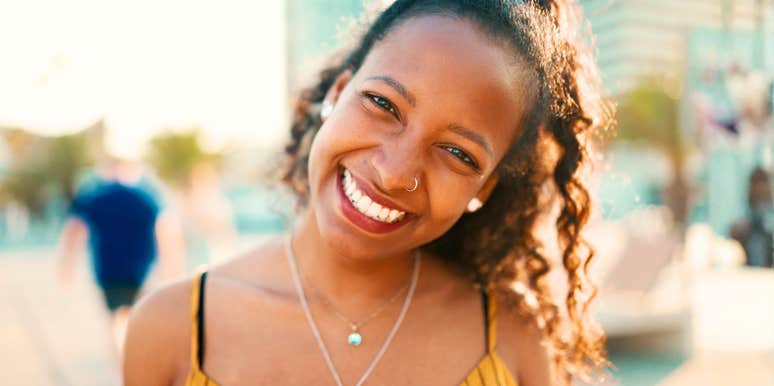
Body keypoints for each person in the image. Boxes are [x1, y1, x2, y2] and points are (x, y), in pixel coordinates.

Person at [124, 1, 612, 385]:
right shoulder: (170, 329)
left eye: (458, 154)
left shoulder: (516, 339)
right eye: (383, 104)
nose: (394, 172)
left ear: (482, 189)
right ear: (336, 94)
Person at [57, 155, 185, 360]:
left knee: (116, 322)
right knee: (140, 319)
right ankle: (141, 362)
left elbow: (74, 230)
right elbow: (166, 230)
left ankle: (123, 364)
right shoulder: (146, 196)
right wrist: (172, 267)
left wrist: (67, 265)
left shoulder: (95, 196)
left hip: (108, 271)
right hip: (141, 271)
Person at [731, 167, 774, 267]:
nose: (758, 189)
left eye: (762, 184)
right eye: (755, 184)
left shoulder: (769, 211)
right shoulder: (745, 214)